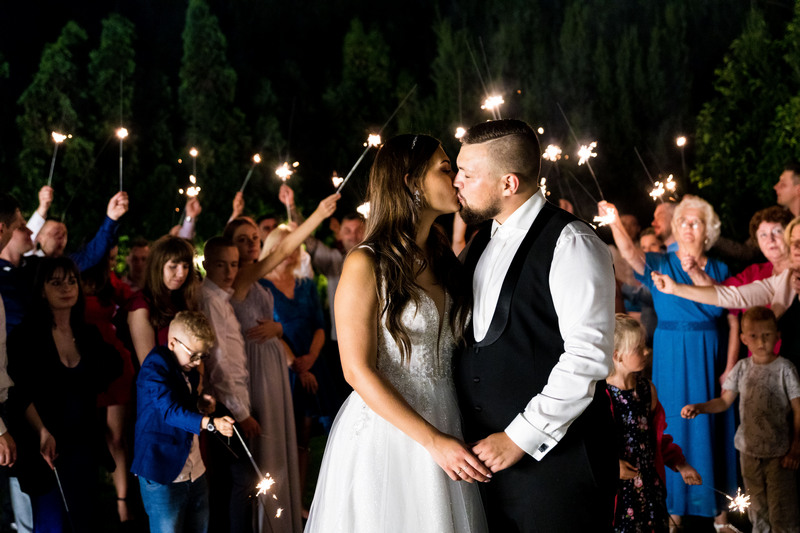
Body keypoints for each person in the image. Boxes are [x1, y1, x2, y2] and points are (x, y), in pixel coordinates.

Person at [305, 134, 489, 532]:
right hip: (389, 433)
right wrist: (432, 440)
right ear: (411, 181)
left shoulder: (444, 261)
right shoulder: (365, 263)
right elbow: (356, 370)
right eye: (446, 169)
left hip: (448, 417)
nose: (457, 178)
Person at [454, 119, 617, 531]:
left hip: (559, 469)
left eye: (468, 174)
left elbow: (588, 357)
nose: (456, 182)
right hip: (485, 468)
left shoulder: (572, 242)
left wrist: (519, 437)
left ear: (508, 183)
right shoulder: (480, 241)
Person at [599, 195, 737, 530]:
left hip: (709, 350)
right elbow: (630, 255)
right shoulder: (661, 262)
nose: (688, 227)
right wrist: (615, 222)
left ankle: (718, 512)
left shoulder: (720, 268)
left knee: (709, 426)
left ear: (708, 230)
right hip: (671, 350)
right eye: (684, 221)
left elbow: (728, 311)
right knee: (667, 423)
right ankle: (672, 508)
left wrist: (731, 366)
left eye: (696, 222)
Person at [225, 192, 338, 533]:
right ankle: (261, 520)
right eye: (242, 240)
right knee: (264, 444)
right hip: (256, 366)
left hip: (272, 363)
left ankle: (280, 512)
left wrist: (276, 330)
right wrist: (317, 214)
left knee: (281, 439)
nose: (251, 244)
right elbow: (283, 250)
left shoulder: (256, 278)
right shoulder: (244, 277)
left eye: (254, 239)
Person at [6, 257, 121, 532]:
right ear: (42, 290)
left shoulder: (87, 333)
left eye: (71, 281)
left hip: (83, 446)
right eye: (56, 283)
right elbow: (18, 391)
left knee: (85, 521)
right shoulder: (26, 336)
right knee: (52, 522)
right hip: (47, 447)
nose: (66, 288)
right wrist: (42, 431)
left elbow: (113, 367)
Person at [682, 306, 800, 532]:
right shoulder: (742, 368)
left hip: (779, 453)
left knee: (782, 509)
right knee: (757, 508)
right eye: (754, 336)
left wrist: (796, 447)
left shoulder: (785, 369)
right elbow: (724, 402)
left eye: (767, 335)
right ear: (744, 339)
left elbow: (798, 409)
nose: (761, 342)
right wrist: (700, 407)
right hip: (748, 452)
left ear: (777, 335)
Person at [651, 215, 800, 370]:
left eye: (777, 232)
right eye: (793, 240)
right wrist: (675, 288)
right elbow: (729, 295)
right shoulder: (784, 280)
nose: (796, 246)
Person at [132, 310, 235, 533]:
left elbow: (185, 402)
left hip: (195, 470)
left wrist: (200, 404)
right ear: (172, 343)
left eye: (202, 356)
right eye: (194, 355)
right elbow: (170, 411)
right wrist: (211, 423)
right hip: (163, 472)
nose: (197, 362)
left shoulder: (186, 366)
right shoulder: (154, 368)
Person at [607, 314, 701, 532]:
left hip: (650, 486)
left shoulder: (647, 390)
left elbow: (656, 438)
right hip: (620, 492)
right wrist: (611, 465)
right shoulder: (602, 396)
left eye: (644, 346)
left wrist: (680, 464)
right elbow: (593, 444)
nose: (646, 352)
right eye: (638, 348)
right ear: (617, 355)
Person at [260, 227, 330, 503]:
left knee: (304, 435)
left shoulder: (306, 284)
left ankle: (298, 500)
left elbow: (320, 325)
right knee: (279, 434)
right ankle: (277, 498)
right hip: (281, 366)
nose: (290, 253)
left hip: (311, 361)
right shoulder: (261, 286)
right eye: (285, 246)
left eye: (294, 246)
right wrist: (296, 365)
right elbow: (267, 331)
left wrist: (310, 358)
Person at [127, 235, 198, 365]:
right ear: (158, 267)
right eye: (173, 266)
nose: (181, 273)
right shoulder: (141, 304)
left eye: (186, 266)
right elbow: (149, 364)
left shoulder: (182, 300)